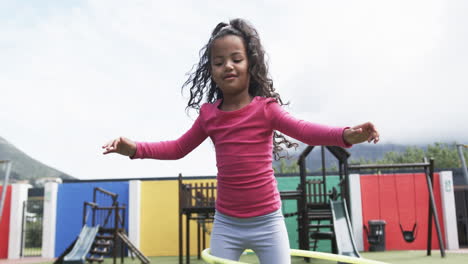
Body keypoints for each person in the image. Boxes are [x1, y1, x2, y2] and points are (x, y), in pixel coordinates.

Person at [102, 18, 379, 264]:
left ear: (251, 64)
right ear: (211, 70)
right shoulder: (209, 115)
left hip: (268, 222)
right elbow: (177, 148)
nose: (228, 66)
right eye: (219, 62)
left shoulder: (266, 109)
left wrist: (345, 135)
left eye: (236, 59)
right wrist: (135, 149)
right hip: (227, 224)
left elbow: (304, 130)